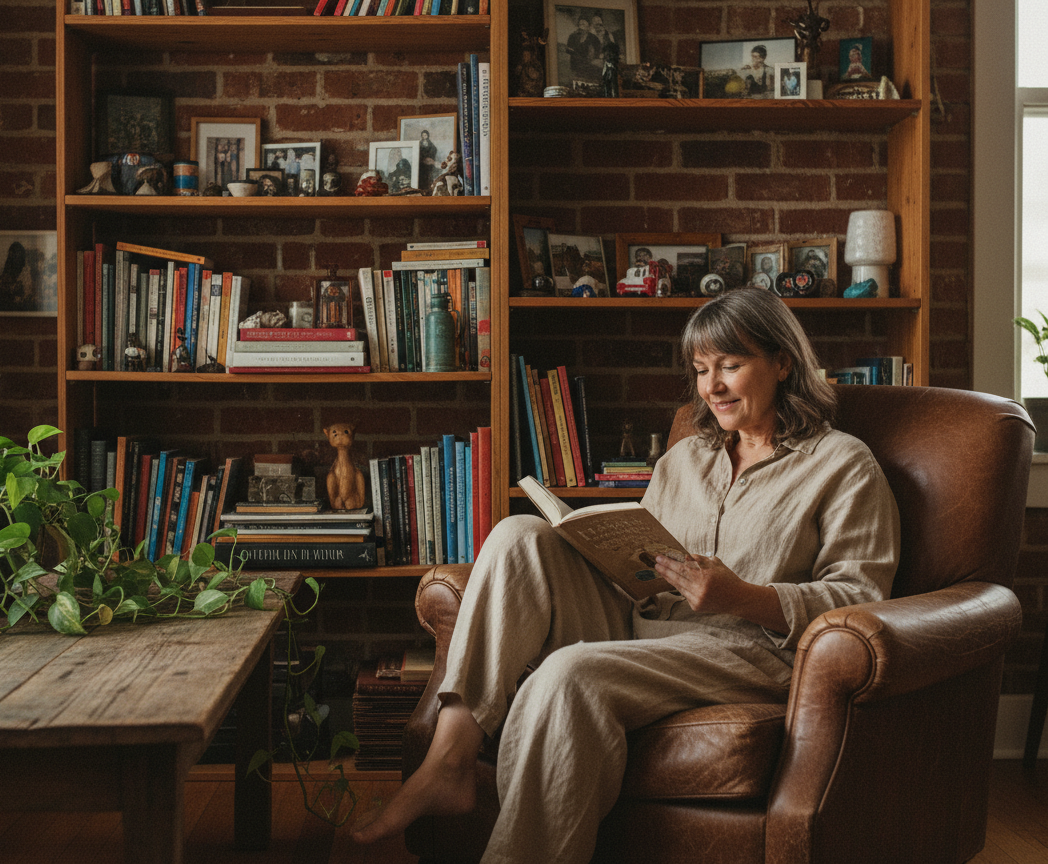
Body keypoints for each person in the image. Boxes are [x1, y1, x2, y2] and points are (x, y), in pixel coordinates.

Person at [352, 288, 901, 862]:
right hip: (648, 625)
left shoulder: (842, 464)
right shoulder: (685, 458)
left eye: (730, 366)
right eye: (701, 370)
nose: (711, 387)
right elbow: (642, 564)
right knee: (518, 535)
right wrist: (599, 552)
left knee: (567, 675)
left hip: (746, 651)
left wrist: (743, 596)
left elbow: (861, 600)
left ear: (782, 362)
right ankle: (451, 757)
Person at [565, 16, 601, 82]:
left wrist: (593, 58)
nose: (581, 27)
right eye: (580, 24)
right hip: (576, 65)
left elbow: (597, 52)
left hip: (590, 64)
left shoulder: (594, 38)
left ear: (589, 26)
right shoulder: (573, 36)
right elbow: (568, 50)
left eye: (583, 24)